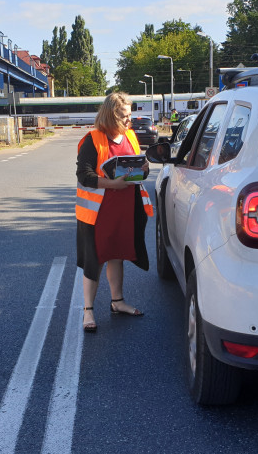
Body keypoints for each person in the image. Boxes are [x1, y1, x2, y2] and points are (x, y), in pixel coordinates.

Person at [76, 92, 154, 333]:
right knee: (95, 259)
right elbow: (84, 176)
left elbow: (140, 168)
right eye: (124, 116)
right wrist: (112, 184)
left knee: (117, 254)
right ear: (110, 114)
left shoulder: (130, 135)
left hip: (124, 208)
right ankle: (88, 310)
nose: (128, 121)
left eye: (130, 115)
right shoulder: (93, 139)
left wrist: (144, 168)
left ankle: (117, 301)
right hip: (98, 212)